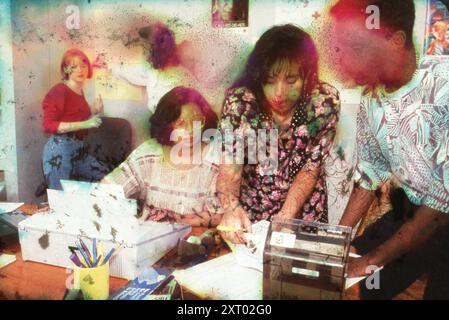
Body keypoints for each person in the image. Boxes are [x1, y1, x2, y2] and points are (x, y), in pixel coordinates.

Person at [329, 0, 449, 299]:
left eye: (356, 48)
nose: (343, 62)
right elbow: (369, 173)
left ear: (396, 41)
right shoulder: (372, 98)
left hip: (439, 213)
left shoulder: (442, 86)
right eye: (341, 49)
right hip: (415, 209)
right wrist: (337, 239)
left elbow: (440, 204)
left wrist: (372, 260)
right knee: (353, 284)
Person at [216, 24, 340, 244]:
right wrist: (231, 207)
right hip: (254, 209)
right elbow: (230, 170)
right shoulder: (241, 103)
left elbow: (310, 169)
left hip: (303, 208)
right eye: (270, 81)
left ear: (308, 77)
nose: (279, 94)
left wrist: (287, 214)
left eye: (291, 80)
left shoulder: (324, 102)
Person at [102, 86, 223, 227]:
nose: (191, 130)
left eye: (197, 121)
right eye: (180, 123)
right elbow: (106, 192)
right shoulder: (148, 153)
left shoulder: (215, 159)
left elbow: (220, 216)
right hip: (150, 240)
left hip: (195, 242)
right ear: (167, 124)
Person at [42, 48, 108, 191]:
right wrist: (86, 123)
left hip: (78, 149)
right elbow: (48, 125)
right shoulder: (59, 91)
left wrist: (94, 110)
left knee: (107, 178)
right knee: (59, 197)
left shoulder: (79, 90)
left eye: (83, 66)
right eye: (74, 66)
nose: (80, 70)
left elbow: (73, 114)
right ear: (66, 69)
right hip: (59, 150)